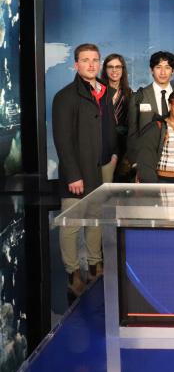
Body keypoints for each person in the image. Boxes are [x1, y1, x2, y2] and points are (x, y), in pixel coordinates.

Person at [52, 43, 117, 297]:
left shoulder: (103, 92)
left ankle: (94, 266)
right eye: (85, 60)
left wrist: (112, 156)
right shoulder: (65, 96)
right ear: (76, 64)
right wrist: (73, 174)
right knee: (71, 226)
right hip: (78, 173)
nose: (91, 64)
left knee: (97, 221)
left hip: (102, 169)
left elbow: (109, 128)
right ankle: (72, 274)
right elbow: (62, 139)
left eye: (95, 59)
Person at [127, 51, 174, 165]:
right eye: (158, 67)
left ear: (172, 71)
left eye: (167, 67)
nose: (163, 72)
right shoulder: (139, 96)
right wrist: (134, 161)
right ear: (151, 70)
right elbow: (132, 132)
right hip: (146, 158)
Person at [100, 53, 132, 182]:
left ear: (123, 70)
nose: (114, 70)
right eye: (110, 67)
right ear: (105, 69)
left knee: (120, 182)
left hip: (122, 146)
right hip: (102, 144)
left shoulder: (129, 93)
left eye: (118, 67)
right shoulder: (97, 91)